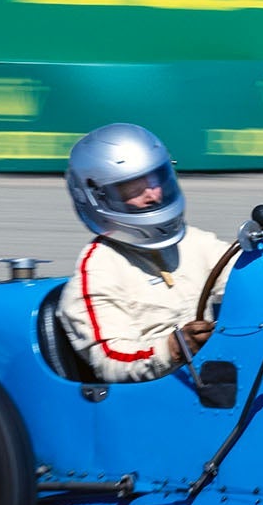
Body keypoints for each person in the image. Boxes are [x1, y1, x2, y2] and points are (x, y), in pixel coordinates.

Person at [58, 123, 232, 383]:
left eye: (157, 179)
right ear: (98, 197)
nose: (153, 194)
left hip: (214, 375)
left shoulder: (193, 242)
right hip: (162, 394)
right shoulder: (98, 270)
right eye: (132, 187)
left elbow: (246, 275)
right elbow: (110, 359)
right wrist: (174, 347)